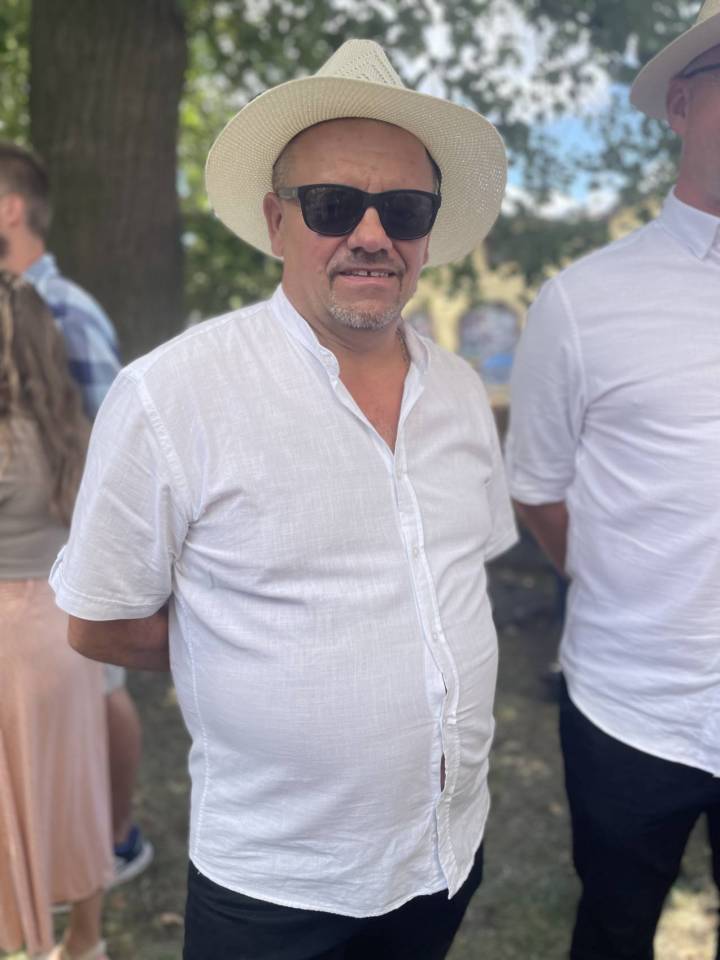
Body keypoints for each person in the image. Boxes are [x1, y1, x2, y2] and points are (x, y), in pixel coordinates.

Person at [50, 39, 517, 960]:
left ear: (427, 231)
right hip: (279, 882)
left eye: (404, 209)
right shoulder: (171, 395)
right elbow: (99, 621)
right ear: (276, 220)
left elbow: (457, 581)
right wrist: (242, 654)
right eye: (334, 205)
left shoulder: (462, 391)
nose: (372, 235)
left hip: (445, 851)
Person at [505, 1, 720, 957]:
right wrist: (618, 584)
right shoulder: (583, 301)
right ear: (680, 103)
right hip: (632, 706)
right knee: (614, 932)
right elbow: (536, 487)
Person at [0, 141, 153, 887]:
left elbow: (115, 446)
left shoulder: (66, 309)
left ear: (10, 210)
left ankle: (116, 840)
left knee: (103, 693)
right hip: (29, 552)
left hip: (67, 555)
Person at [0, 272, 112, 960]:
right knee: (72, 786)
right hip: (67, 633)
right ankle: (84, 938)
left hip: (8, 635)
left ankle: (23, 935)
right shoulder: (76, 431)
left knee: (11, 798)